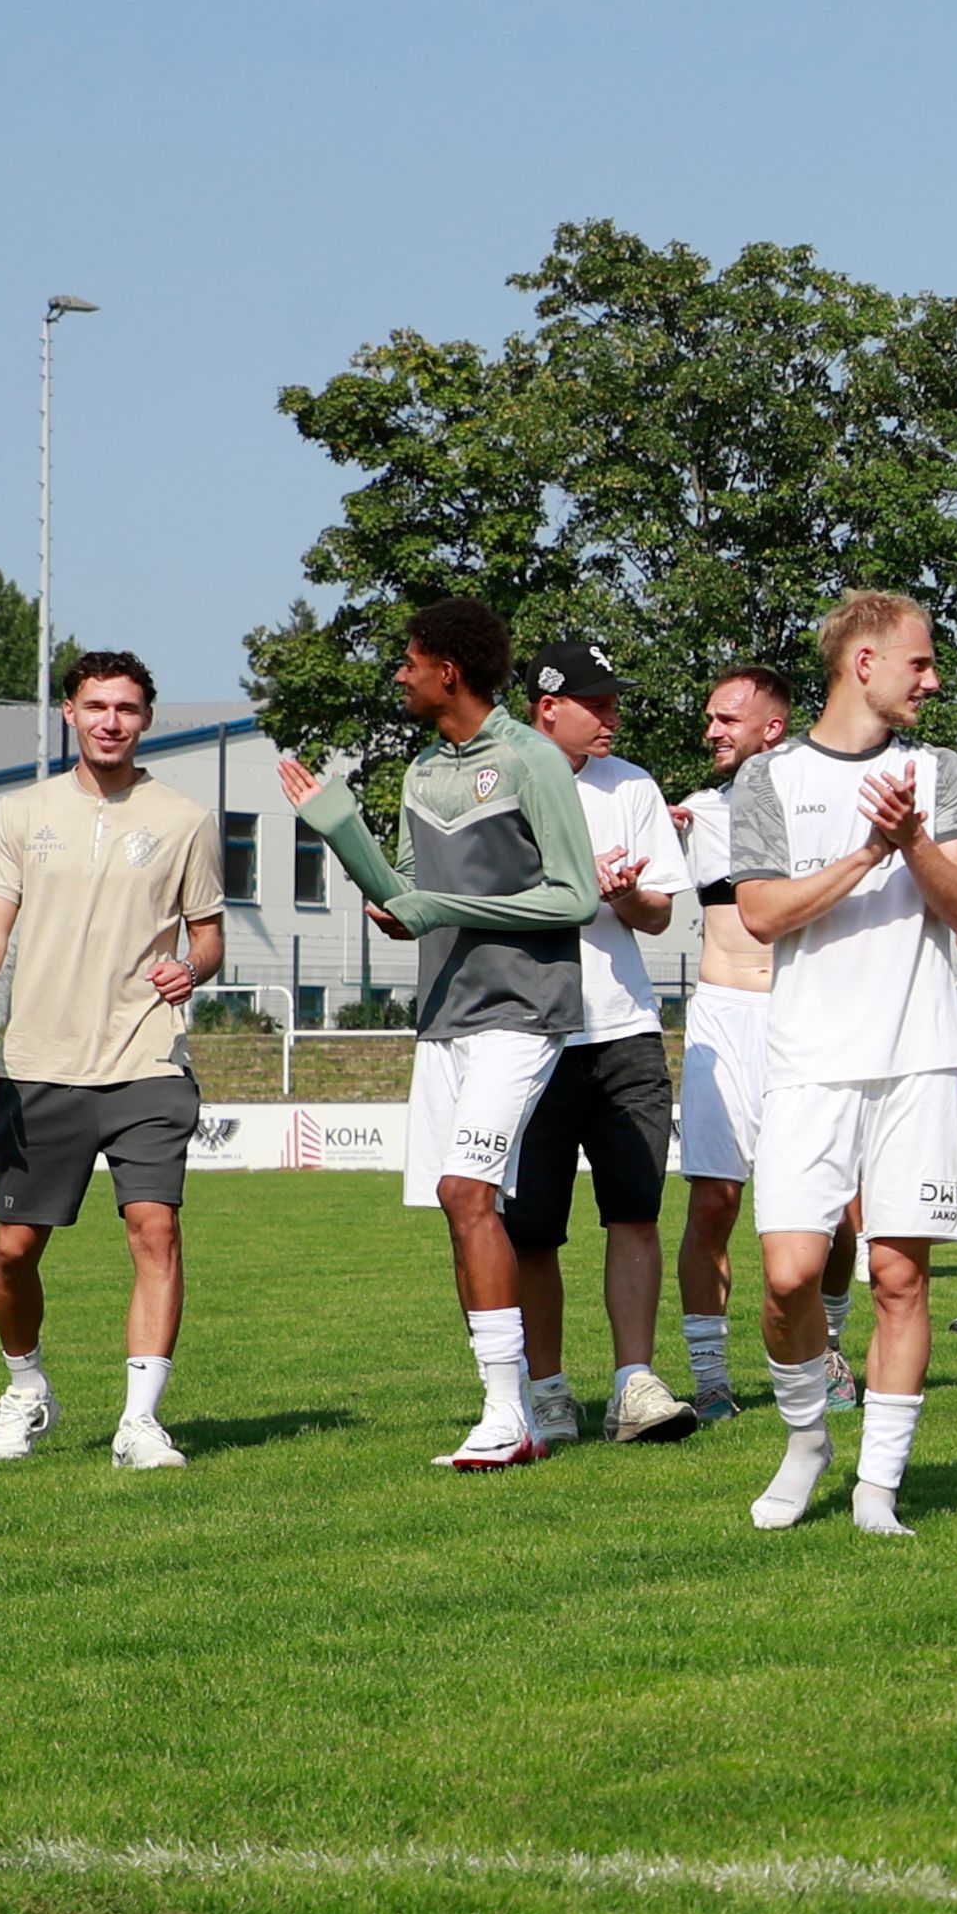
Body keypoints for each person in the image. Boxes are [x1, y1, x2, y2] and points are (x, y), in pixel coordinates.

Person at [284, 597, 603, 1473]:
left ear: (448, 671)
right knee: (461, 1212)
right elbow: (403, 901)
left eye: (409, 660)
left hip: (523, 1013)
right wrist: (341, 829)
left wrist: (438, 906)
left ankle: (513, 1415)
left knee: (470, 1193)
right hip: (444, 1018)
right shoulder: (423, 771)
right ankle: (510, 1411)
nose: (399, 673)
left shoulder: (535, 761)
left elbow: (575, 898)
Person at [706, 590, 957, 1535]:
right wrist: (870, 850)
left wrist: (911, 839)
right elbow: (761, 914)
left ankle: (878, 1490)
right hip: (808, 1063)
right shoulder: (770, 779)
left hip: (918, 1062)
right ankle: (805, 1439)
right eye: (919, 662)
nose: (934, 679)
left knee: (898, 1278)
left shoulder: (937, 769)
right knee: (789, 1276)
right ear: (863, 663)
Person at [0, 650, 226, 1469]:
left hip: (146, 1057)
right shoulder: (19, 812)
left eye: (129, 708)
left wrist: (193, 966)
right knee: (13, 1252)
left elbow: (207, 932)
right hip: (39, 1061)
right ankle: (26, 1388)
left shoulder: (183, 818)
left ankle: (140, 1423)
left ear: (146, 719)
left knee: (156, 1229)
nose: (112, 721)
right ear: (67, 712)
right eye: (97, 705)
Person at [498, 635, 702, 1445]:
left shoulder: (634, 786)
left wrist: (625, 896)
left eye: (616, 701)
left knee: (636, 1213)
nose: (614, 716)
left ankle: (633, 1386)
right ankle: (546, 1389)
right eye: (599, 703)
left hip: (626, 1031)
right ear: (548, 708)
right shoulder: (501, 784)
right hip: (531, 1034)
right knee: (534, 1230)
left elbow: (661, 915)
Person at [667, 666, 802, 1418]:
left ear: (771, 728)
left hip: (804, 1019)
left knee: (834, 1209)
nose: (711, 732)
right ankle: (712, 1381)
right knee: (714, 1202)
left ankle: (832, 1355)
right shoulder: (690, 815)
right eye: (711, 718)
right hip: (723, 1015)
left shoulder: (816, 810)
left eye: (727, 720)